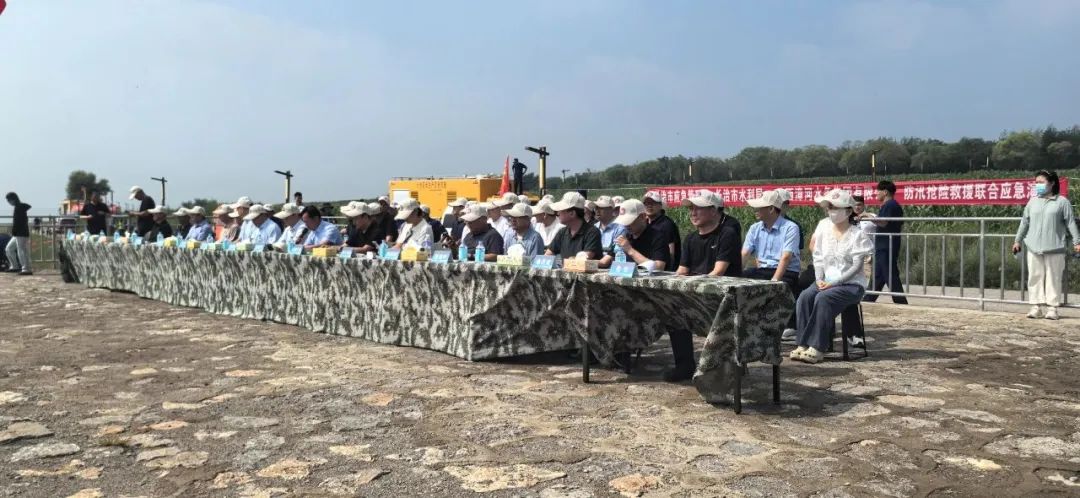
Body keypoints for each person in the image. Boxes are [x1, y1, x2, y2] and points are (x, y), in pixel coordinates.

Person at [663, 191, 742, 381]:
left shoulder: (727, 234)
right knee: (673, 311)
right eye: (691, 209)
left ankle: (719, 369)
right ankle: (684, 366)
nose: (693, 213)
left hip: (722, 297)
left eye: (698, 208)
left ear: (714, 211)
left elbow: (718, 272)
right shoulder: (690, 238)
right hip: (697, 294)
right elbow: (682, 271)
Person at [791, 189, 874, 364]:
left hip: (851, 284)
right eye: (830, 207)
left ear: (848, 211)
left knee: (823, 298)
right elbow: (818, 258)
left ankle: (818, 347)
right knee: (805, 297)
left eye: (836, 207)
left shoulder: (858, 235)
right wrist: (819, 279)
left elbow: (857, 266)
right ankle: (802, 344)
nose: (832, 211)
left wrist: (834, 283)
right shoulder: (824, 231)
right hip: (826, 280)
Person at [1013, 170, 1080, 320]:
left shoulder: (1062, 202)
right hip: (1033, 246)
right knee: (1035, 277)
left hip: (1055, 247)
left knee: (1053, 278)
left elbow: (1070, 223)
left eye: (1041, 182)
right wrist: (1017, 240)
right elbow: (1025, 222)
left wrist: (1077, 242)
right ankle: (1036, 307)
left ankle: (1052, 308)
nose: (1038, 185)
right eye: (1036, 183)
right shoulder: (1032, 202)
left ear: (1052, 183)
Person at [742, 190, 801, 338]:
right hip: (762, 269)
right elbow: (744, 254)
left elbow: (786, 257)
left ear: (771, 209)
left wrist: (774, 281)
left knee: (775, 287)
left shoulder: (791, 227)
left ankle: (784, 324)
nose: (755, 210)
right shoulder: (755, 228)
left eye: (759, 207)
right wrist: (735, 275)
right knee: (740, 281)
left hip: (786, 271)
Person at [863, 180, 908, 304]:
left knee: (890, 275)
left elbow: (883, 222)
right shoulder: (889, 205)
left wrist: (868, 217)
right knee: (878, 275)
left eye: (878, 191)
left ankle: (901, 302)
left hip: (887, 246)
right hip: (883, 246)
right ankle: (867, 300)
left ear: (885, 192)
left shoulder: (890, 205)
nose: (876, 194)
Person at [613, 199, 671, 270]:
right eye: (624, 222)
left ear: (643, 217)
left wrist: (629, 250)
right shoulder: (625, 237)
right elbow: (609, 260)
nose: (626, 225)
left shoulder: (658, 237)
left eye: (629, 221)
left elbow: (659, 267)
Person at [546, 192, 603, 260]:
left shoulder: (592, 232)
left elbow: (584, 259)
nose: (558, 213)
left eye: (561, 210)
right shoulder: (562, 232)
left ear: (572, 213)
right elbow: (548, 255)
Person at [643, 191, 681, 271]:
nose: (649, 206)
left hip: (664, 270)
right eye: (646, 203)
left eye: (653, 203)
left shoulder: (666, 224)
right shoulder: (644, 223)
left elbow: (671, 252)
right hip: (649, 267)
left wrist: (669, 272)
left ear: (660, 205)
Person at [5, 192, 32, 276]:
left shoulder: (19, 208)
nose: (9, 202)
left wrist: (15, 230)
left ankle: (26, 269)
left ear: (13, 199)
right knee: (9, 249)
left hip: (21, 233)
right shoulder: (18, 207)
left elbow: (19, 222)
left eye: (9, 200)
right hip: (17, 233)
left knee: (22, 250)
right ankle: (15, 266)